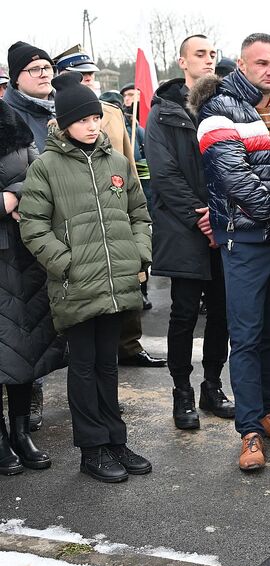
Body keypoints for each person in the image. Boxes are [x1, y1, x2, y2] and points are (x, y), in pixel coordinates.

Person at [19, 72, 153, 483]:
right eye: (83, 119)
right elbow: (32, 226)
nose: (93, 125)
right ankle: (91, 449)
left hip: (117, 284)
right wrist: (67, 264)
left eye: (96, 117)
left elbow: (139, 215)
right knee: (83, 365)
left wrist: (138, 256)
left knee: (108, 364)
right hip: (76, 286)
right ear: (64, 123)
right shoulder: (47, 167)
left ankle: (115, 439)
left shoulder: (116, 162)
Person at [191, 33, 270, 471]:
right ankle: (249, 432)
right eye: (261, 63)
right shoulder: (217, 109)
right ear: (241, 63)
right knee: (245, 337)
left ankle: (266, 412)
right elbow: (232, 178)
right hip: (245, 241)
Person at [55, 49, 166, 370]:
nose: (89, 81)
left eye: (92, 76)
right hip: (78, 228)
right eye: (82, 76)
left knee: (129, 284)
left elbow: (128, 165)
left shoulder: (111, 113)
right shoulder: (59, 117)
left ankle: (129, 346)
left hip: (117, 213)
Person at [144, 34, 234, 431]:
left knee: (223, 314)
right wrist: (202, 217)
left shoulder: (226, 105)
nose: (209, 60)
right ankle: (181, 391)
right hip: (185, 229)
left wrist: (221, 217)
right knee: (182, 315)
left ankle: (211, 386)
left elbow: (233, 162)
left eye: (213, 54)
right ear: (183, 62)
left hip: (224, 227)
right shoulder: (163, 111)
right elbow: (164, 174)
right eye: (200, 54)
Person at [0, 98, 66, 476]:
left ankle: (21, 433)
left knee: (24, 349)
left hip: (23, 255)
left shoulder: (14, 124)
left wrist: (20, 193)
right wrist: (5, 199)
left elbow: (40, 170)